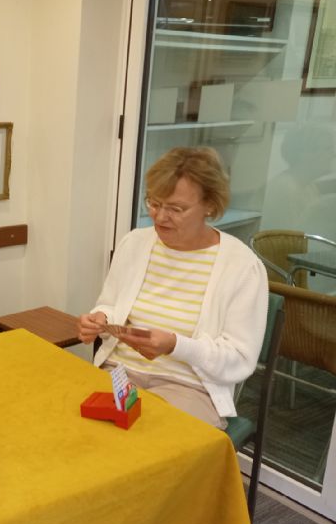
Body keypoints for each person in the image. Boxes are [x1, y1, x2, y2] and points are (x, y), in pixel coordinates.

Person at [78, 147, 268, 429]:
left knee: (145, 441)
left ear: (210, 206)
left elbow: (239, 361)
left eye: (176, 209)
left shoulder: (241, 267)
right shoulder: (135, 244)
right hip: (119, 373)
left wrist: (177, 346)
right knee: (68, 422)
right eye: (154, 204)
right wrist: (100, 319)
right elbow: (110, 304)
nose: (160, 217)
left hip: (190, 388)